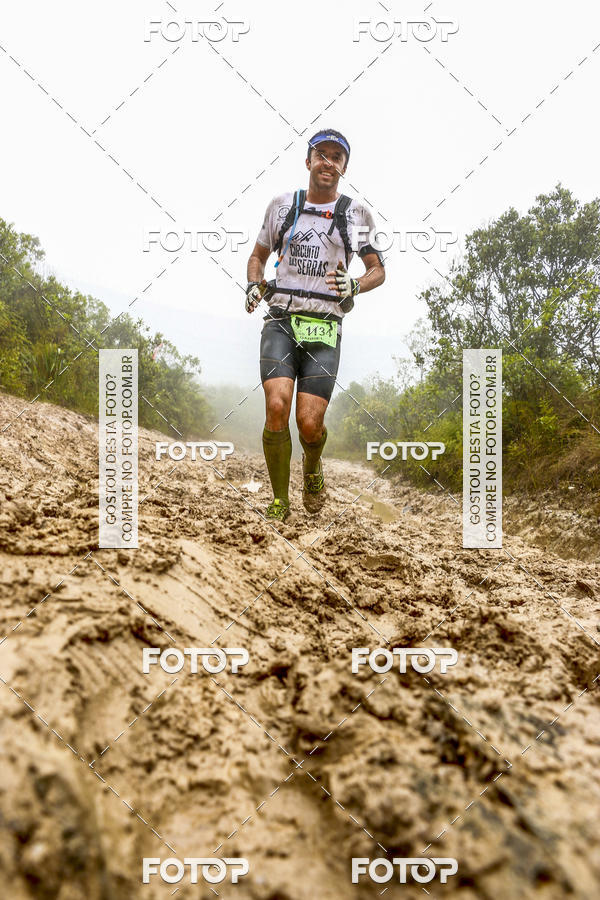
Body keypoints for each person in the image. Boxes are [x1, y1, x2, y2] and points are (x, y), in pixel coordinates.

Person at [245, 128, 385, 522]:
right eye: (321, 154)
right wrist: (254, 285)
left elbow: (377, 269)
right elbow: (256, 256)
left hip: (325, 326)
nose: (328, 162)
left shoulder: (355, 215)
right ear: (308, 161)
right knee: (276, 407)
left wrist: (356, 283)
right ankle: (279, 501)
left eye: (336, 157)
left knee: (308, 424)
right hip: (281, 320)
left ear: (344, 168)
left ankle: (312, 464)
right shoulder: (281, 206)